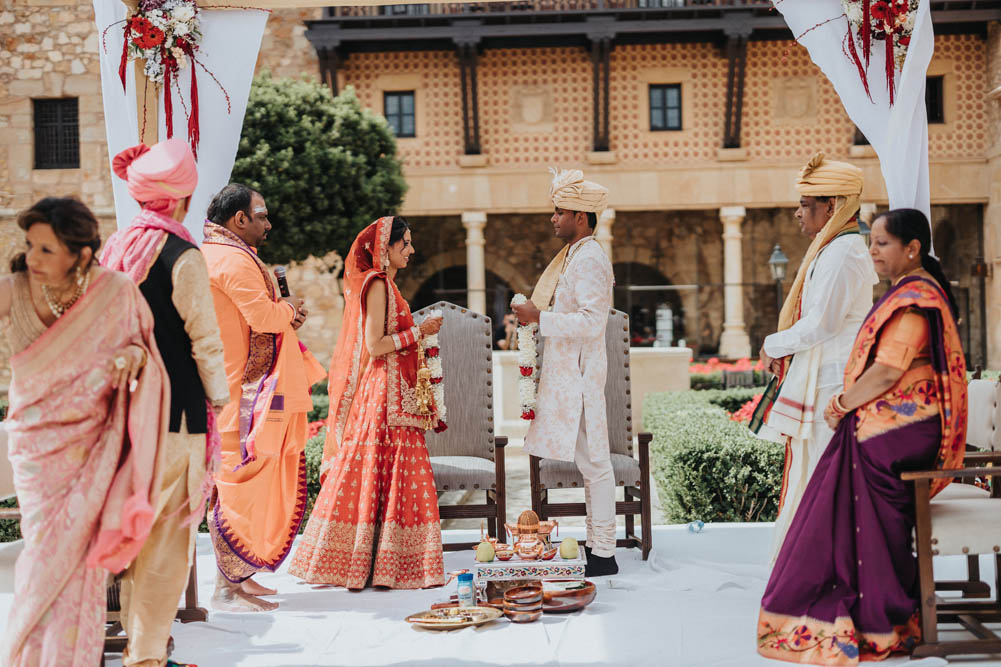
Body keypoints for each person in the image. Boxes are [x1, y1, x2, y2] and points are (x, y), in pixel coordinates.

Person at [757, 209, 967, 665]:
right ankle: (882, 610)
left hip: (908, 429)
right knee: (847, 455)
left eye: (881, 243)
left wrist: (841, 404)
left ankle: (881, 619)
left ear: (911, 248)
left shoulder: (915, 298)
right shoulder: (907, 291)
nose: (871, 251)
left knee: (859, 457)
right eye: (870, 242)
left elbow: (890, 368)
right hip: (898, 421)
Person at [0, 198, 167, 666]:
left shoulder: (114, 291)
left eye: (46, 250)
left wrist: (132, 358)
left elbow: (144, 348)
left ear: (83, 253)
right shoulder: (14, 289)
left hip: (93, 444)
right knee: (44, 554)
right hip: (37, 449)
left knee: (82, 565)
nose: (32, 258)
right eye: (30, 246)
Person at [101, 138, 230, 667]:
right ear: (180, 199)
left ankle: (139, 647)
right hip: (175, 418)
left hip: (120, 417)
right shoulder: (182, 256)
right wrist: (220, 399)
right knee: (165, 544)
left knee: (133, 536)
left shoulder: (114, 251)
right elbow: (205, 341)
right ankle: (147, 656)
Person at [289, 216, 446, 589]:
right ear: (385, 249)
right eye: (404, 243)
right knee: (376, 469)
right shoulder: (378, 285)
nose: (411, 250)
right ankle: (364, 563)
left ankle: (390, 564)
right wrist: (417, 333)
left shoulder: (388, 285)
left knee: (395, 473)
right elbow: (375, 345)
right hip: (383, 396)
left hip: (396, 394)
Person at [202, 184, 326, 611]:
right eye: (262, 215)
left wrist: (286, 311)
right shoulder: (231, 259)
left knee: (247, 480)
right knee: (238, 483)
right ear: (239, 219)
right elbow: (262, 316)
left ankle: (241, 577)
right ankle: (227, 586)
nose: (268, 223)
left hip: (245, 388)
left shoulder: (229, 255)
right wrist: (289, 310)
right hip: (243, 393)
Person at [750, 152, 878, 562]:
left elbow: (822, 323)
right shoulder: (832, 249)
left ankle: (826, 575)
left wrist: (773, 343)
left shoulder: (843, 251)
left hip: (835, 383)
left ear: (832, 207)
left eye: (805, 205)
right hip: (824, 380)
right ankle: (809, 572)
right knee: (813, 481)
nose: (797, 213)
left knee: (827, 483)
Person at [511, 168, 617, 577]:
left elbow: (593, 322)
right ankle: (598, 548)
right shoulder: (576, 255)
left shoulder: (590, 257)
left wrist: (540, 316)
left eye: (561, 212)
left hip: (581, 378)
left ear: (582, 217)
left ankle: (604, 553)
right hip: (568, 377)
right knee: (592, 465)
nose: (554, 219)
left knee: (596, 464)